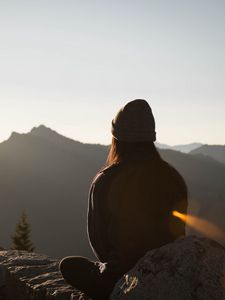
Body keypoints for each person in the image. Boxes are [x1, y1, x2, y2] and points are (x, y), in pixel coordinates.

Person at [59, 99, 188, 300]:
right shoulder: (173, 178)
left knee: (69, 265)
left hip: (120, 278)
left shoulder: (106, 180)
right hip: (167, 272)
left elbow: (99, 242)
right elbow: (179, 233)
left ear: (116, 138)